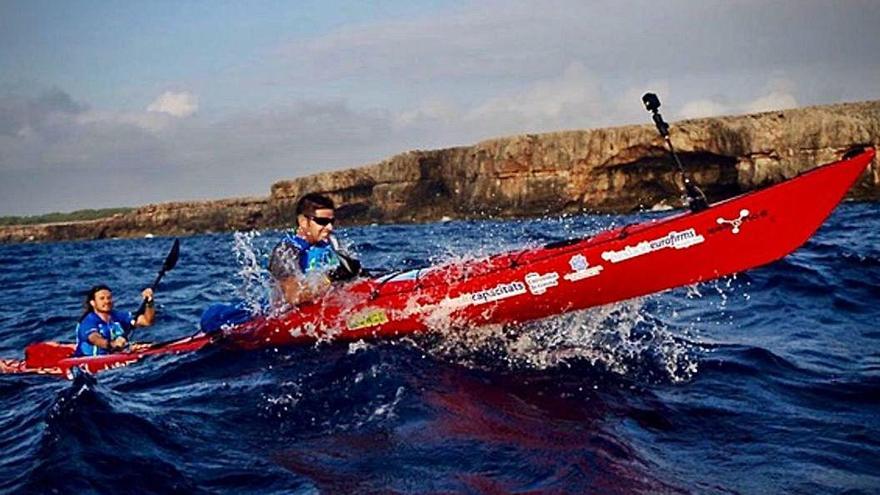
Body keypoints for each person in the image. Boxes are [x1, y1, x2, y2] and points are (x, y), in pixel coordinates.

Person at [268, 193, 361, 306]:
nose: (329, 227)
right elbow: (294, 296)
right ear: (303, 222)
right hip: (295, 315)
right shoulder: (285, 251)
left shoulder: (332, 243)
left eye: (331, 222)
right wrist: (331, 278)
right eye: (322, 221)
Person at [73, 284, 156, 356]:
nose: (107, 301)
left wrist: (149, 303)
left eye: (109, 298)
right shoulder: (88, 321)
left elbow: (147, 321)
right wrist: (113, 344)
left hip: (117, 354)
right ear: (93, 303)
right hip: (90, 359)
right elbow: (95, 339)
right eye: (102, 298)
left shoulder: (119, 316)